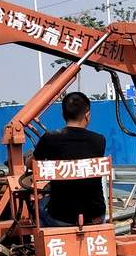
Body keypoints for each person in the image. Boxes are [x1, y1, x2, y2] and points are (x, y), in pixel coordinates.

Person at [27, 92, 106, 227]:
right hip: (95, 216)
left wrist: (27, 158)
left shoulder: (49, 139)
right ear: (87, 115)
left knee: (38, 206)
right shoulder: (99, 140)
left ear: (63, 115)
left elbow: (31, 164)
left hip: (60, 217)